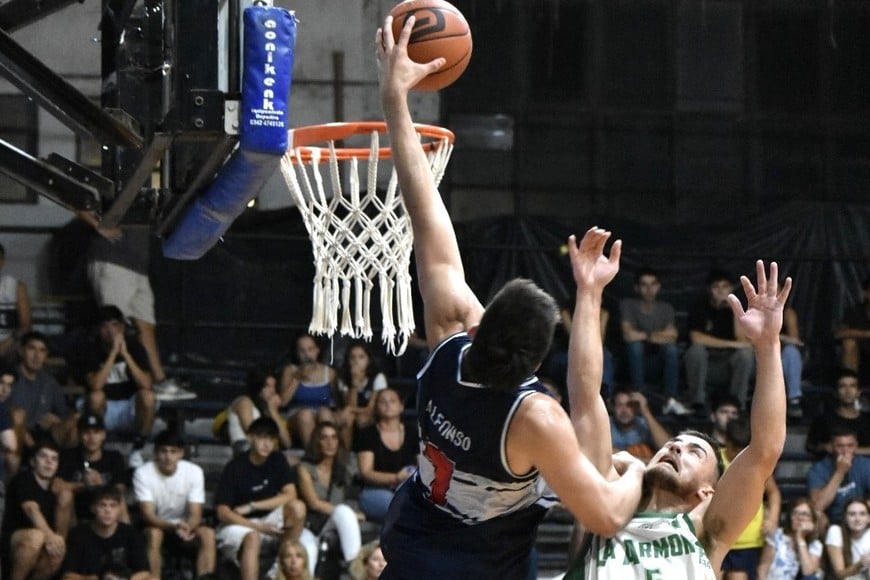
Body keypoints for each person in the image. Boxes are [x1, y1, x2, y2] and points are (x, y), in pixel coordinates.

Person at [377, 19, 646, 578]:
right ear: (534, 363)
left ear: (477, 327)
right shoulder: (534, 418)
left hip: (410, 546)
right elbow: (603, 515)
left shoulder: (449, 341)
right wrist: (638, 472)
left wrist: (395, 98)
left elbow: (425, 212)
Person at [563, 252, 792, 578]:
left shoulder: (707, 532)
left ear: (707, 492)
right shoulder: (610, 496)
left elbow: (765, 450)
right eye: (674, 443)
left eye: (693, 452)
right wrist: (589, 292)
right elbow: (586, 397)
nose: (674, 448)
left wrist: (768, 345)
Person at [75, 212, 193, 400]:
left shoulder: (148, 184)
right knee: (111, 325)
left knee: (146, 326)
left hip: (137, 264)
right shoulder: (116, 183)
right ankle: (105, 388)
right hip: (111, 259)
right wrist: (98, 225)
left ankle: (160, 381)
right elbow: (76, 199)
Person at [214, 417, 317, 580]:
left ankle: (277, 571)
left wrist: (253, 506)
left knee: (297, 507)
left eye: (271, 439)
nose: (266, 444)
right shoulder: (235, 467)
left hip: (267, 519)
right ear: (250, 437)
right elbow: (222, 512)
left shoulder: (277, 459)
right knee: (252, 537)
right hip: (238, 524)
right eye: (262, 437)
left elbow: (290, 494)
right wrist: (257, 527)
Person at [132, 429, 216, 579]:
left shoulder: (194, 472)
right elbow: (148, 515)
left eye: (173, 451)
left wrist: (187, 528)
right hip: (156, 526)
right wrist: (173, 527)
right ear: (155, 453)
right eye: (163, 451)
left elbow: (196, 514)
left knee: (207, 534)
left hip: (185, 528)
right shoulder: (143, 473)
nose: (168, 457)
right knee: (154, 534)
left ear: (181, 454)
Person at [82, 305, 156, 467]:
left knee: (148, 397)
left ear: (122, 327)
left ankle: (137, 449)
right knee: (96, 396)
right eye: (105, 326)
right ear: (99, 329)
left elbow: (146, 383)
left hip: (129, 407)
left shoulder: (134, 346)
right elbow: (95, 385)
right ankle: (98, 449)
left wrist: (126, 356)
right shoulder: (91, 348)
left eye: (114, 325)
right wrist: (113, 354)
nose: (110, 331)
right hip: (104, 408)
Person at [0, 438, 73, 580]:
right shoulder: (24, 478)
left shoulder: (56, 487)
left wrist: (57, 541)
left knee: (58, 547)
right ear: (33, 462)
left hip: (43, 545)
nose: (49, 462)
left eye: (54, 459)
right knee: (36, 537)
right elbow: (31, 509)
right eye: (43, 456)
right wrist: (50, 535)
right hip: (14, 543)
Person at [719, 417, 781, 580]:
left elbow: (774, 493)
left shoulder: (757, 463)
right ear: (726, 441)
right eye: (735, 450)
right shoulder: (714, 461)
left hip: (749, 540)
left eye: (744, 451)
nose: (739, 455)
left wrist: (773, 519)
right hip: (717, 537)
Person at [685, 269, 755, 411]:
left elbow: (744, 341)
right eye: (716, 287)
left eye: (725, 287)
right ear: (709, 289)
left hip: (729, 364)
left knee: (746, 354)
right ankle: (697, 403)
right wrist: (731, 344)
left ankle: (736, 405)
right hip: (706, 364)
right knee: (695, 351)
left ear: (731, 288)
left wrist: (734, 311)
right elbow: (696, 338)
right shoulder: (700, 306)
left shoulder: (738, 308)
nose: (721, 291)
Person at [297, 421, 363, 569]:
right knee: (309, 551)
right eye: (324, 438)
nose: (330, 443)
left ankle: (355, 569)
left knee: (345, 513)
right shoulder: (305, 468)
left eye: (334, 438)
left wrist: (351, 514)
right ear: (316, 441)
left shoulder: (343, 469)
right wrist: (352, 514)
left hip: (332, 521)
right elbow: (313, 502)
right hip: (308, 524)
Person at [355, 387, 418, 522]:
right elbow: (366, 473)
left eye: (392, 401)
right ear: (376, 408)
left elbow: (423, 464)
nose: (388, 404)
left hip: (406, 486)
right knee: (397, 505)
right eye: (383, 402)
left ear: (401, 406)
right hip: (375, 490)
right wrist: (395, 477)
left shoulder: (413, 432)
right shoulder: (368, 433)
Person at [61, 485, 149, 580]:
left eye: (113, 505)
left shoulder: (131, 533)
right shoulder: (78, 534)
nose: (108, 510)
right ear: (93, 508)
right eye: (102, 505)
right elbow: (67, 576)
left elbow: (144, 572)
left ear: (120, 509)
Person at [619, 267, 681, 403]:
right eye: (644, 284)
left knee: (672, 349)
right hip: (632, 360)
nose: (649, 289)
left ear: (658, 287)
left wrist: (643, 335)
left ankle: (671, 399)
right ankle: (638, 395)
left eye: (653, 284)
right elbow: (628, 335)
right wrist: (654, 336)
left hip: (658, 360)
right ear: (636, 288)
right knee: (635, 346)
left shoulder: (666, 308)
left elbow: (672, 336)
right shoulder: (628, 304)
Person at [56, 411, 129, 524]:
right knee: (65, 496)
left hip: (105, 511)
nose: (92, 438)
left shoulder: (114, 457)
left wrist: (101, 484)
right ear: (79, 435)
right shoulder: (68, 456)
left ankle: (127, 539)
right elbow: (55, 486)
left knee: (118, 498)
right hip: (76, 513)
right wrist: (82, 485)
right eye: (86, 432)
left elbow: (121, 488)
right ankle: (61, 541)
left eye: (96, 432)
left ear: (103, 435)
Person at [9, 331, 78, 450]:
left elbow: (63, 413)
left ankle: (70, 465)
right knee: (17, 417)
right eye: (32, 349)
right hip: (16, 434)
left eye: (42, 350)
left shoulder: (49, 382)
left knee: (75, 419)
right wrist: (23, 430)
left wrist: (57, 420)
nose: (37, 356)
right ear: (21, 351)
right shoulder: (9, 378)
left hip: (43, 434)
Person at [279, 333, 340, 449]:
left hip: (322, 412)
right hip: (297, 415)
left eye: (310, 349)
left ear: (317, 350)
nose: (307, 354)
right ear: (297, 353)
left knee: (324, 413)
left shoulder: (330, 373)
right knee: (305, 415)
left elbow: (337, 402)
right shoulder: (290, 371)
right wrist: (296, 379)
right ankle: (312, 453)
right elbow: (283, 402)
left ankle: (329, 450)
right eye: (302, 351)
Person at [807, 427, 870, 525]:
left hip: (860, 517)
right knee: (817, 514)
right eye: (840, 446)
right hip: (832, 522)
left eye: (850, 446)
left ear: (856, 446)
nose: (845, 451)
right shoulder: (818, 469)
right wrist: (840, 472)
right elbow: (818, 505)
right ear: (832, 447)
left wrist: (859, 514)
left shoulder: (866, 465)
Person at [225, 366, 292, 454]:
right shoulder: (244, 402)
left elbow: (287, 443)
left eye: (274, 386)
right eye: (267, 386)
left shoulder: (267, 409)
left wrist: (273, 411)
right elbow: (252, 432)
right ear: (257, 386)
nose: (272, 391)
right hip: (246, 452)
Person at [805, 368, 870, 457]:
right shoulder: (823, 420)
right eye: (842, 386)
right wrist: (824, 447)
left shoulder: (867, 420)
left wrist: (847, 451)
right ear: (836, 392)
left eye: (852, 386)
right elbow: (811, 445)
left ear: (858, 392)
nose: (848, 391)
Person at [757, 497, 824, 580]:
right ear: (790, 518)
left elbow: (808, 573)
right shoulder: (777, 536)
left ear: (812, 520)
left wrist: (800, 538)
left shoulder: (815, 545)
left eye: (805, 514)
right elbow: (763, 569)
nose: (800, 518)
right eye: (795, 513)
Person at [337, 340, 388, 445]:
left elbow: (371, 408)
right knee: (348, 418)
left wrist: (350, 409)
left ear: (368, 360)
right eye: (353, 357)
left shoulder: (377, 377)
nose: (356, 361)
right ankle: (347, 453)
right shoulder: (344, 378)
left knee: (362, 419)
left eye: (361, 357)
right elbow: (350, 404)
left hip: (372, 414)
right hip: (352, 414)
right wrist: (354, 384)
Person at [609, 388, 671, 463]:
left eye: (629, 405)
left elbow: (668, 448)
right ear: (613, 407)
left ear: (636, 407)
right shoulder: (607, 423)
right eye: (619, 405)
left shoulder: (643, 424)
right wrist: (649, 462)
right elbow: (606, 453)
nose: (624, 411)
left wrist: (645, 411)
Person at [0, 242, 32, 364]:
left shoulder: (16, 287)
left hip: (9, 345)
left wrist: (6, 345)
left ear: (2, 261)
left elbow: (25, 326)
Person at [837, 275, 870, 386]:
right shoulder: (855, 311)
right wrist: (865, 334)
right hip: (860, 355)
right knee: (849, 343)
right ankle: (851, 385)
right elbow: (839, 333)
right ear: (866, 293)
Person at [825, 497, 870, 579]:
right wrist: (859, 564)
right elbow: (839, 574)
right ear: (845, 518)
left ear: (868, 518)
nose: (857, 519)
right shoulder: (835, 531)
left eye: (862, 514)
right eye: (852, 514)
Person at [781, 306, 805, 418]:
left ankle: (794, 400)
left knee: (791, 351)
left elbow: (794, 340)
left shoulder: (787, 313)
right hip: (758, 356)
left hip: (780, 358)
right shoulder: (754, 310)